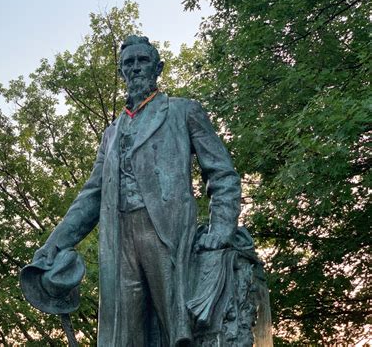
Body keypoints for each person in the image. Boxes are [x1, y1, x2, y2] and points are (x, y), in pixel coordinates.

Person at [31, 35, 241, 346]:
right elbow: (91, 195)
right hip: (119, 237)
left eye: (143, 61)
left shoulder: (183, 111)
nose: (136, 68)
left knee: (177, 330)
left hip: (166, 232)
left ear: (158, 67)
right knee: (124, 335)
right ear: (121, 72)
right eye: (128, 63)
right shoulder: (111, 134)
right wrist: (55, 244)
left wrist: (221, 228)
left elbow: (222, 173)